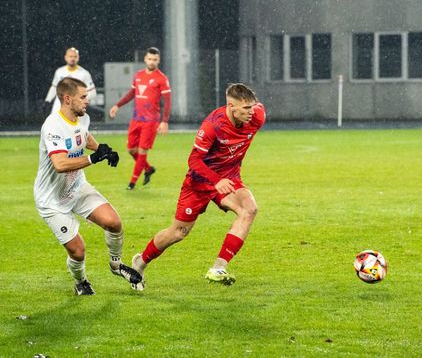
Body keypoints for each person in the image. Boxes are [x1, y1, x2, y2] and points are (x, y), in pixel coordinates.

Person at [130, 83, 266, 290]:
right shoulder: (213, 126)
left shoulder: (257, 116)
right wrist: (215, 180)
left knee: (249, 209)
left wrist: (222, 179)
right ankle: (140, 262)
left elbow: (257, 110)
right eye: (246, 108)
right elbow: (194, 160)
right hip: (199, 182)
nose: (251, 112)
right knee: (178, 232)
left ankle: (218, 267)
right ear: (231, 106)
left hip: (229, 178)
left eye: (252, 107)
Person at [34, 77, 143, 295]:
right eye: (83, 97)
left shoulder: (82, 118)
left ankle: (116, 265)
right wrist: (93, 159)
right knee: (78, 251)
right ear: (67, 99)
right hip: (52, 200)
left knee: (113, 222)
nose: (87, 101)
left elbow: (83, 136)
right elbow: (60, 164)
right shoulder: (53, 126)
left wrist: (102, 149)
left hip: (76, 187)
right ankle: (81, 281)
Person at [109, 47, 171, 190]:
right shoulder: (138, 75)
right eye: (149, 59)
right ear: (145, 59)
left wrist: (164, 121)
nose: (152, 62)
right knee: (131, 150)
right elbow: (132, 93)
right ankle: (148, 169)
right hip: (136, 119)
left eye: (155, 59)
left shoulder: (162, 78)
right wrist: (117, 105)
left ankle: (132, 183)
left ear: (158, 61)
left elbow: (167, 101)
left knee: (142, 151)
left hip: (151, 121)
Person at [44, 47, 96, 115]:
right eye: (70, 56)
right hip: (60, 103)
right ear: (65, 57)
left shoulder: (84, 73)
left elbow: (93, 92)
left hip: (76, 105)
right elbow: (54, 87)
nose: (73, 58)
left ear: (78, 58)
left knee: (75, 122)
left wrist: (80, 100)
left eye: (75, 56)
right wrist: (48, 100)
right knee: (54, 121)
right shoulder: (59, 72)